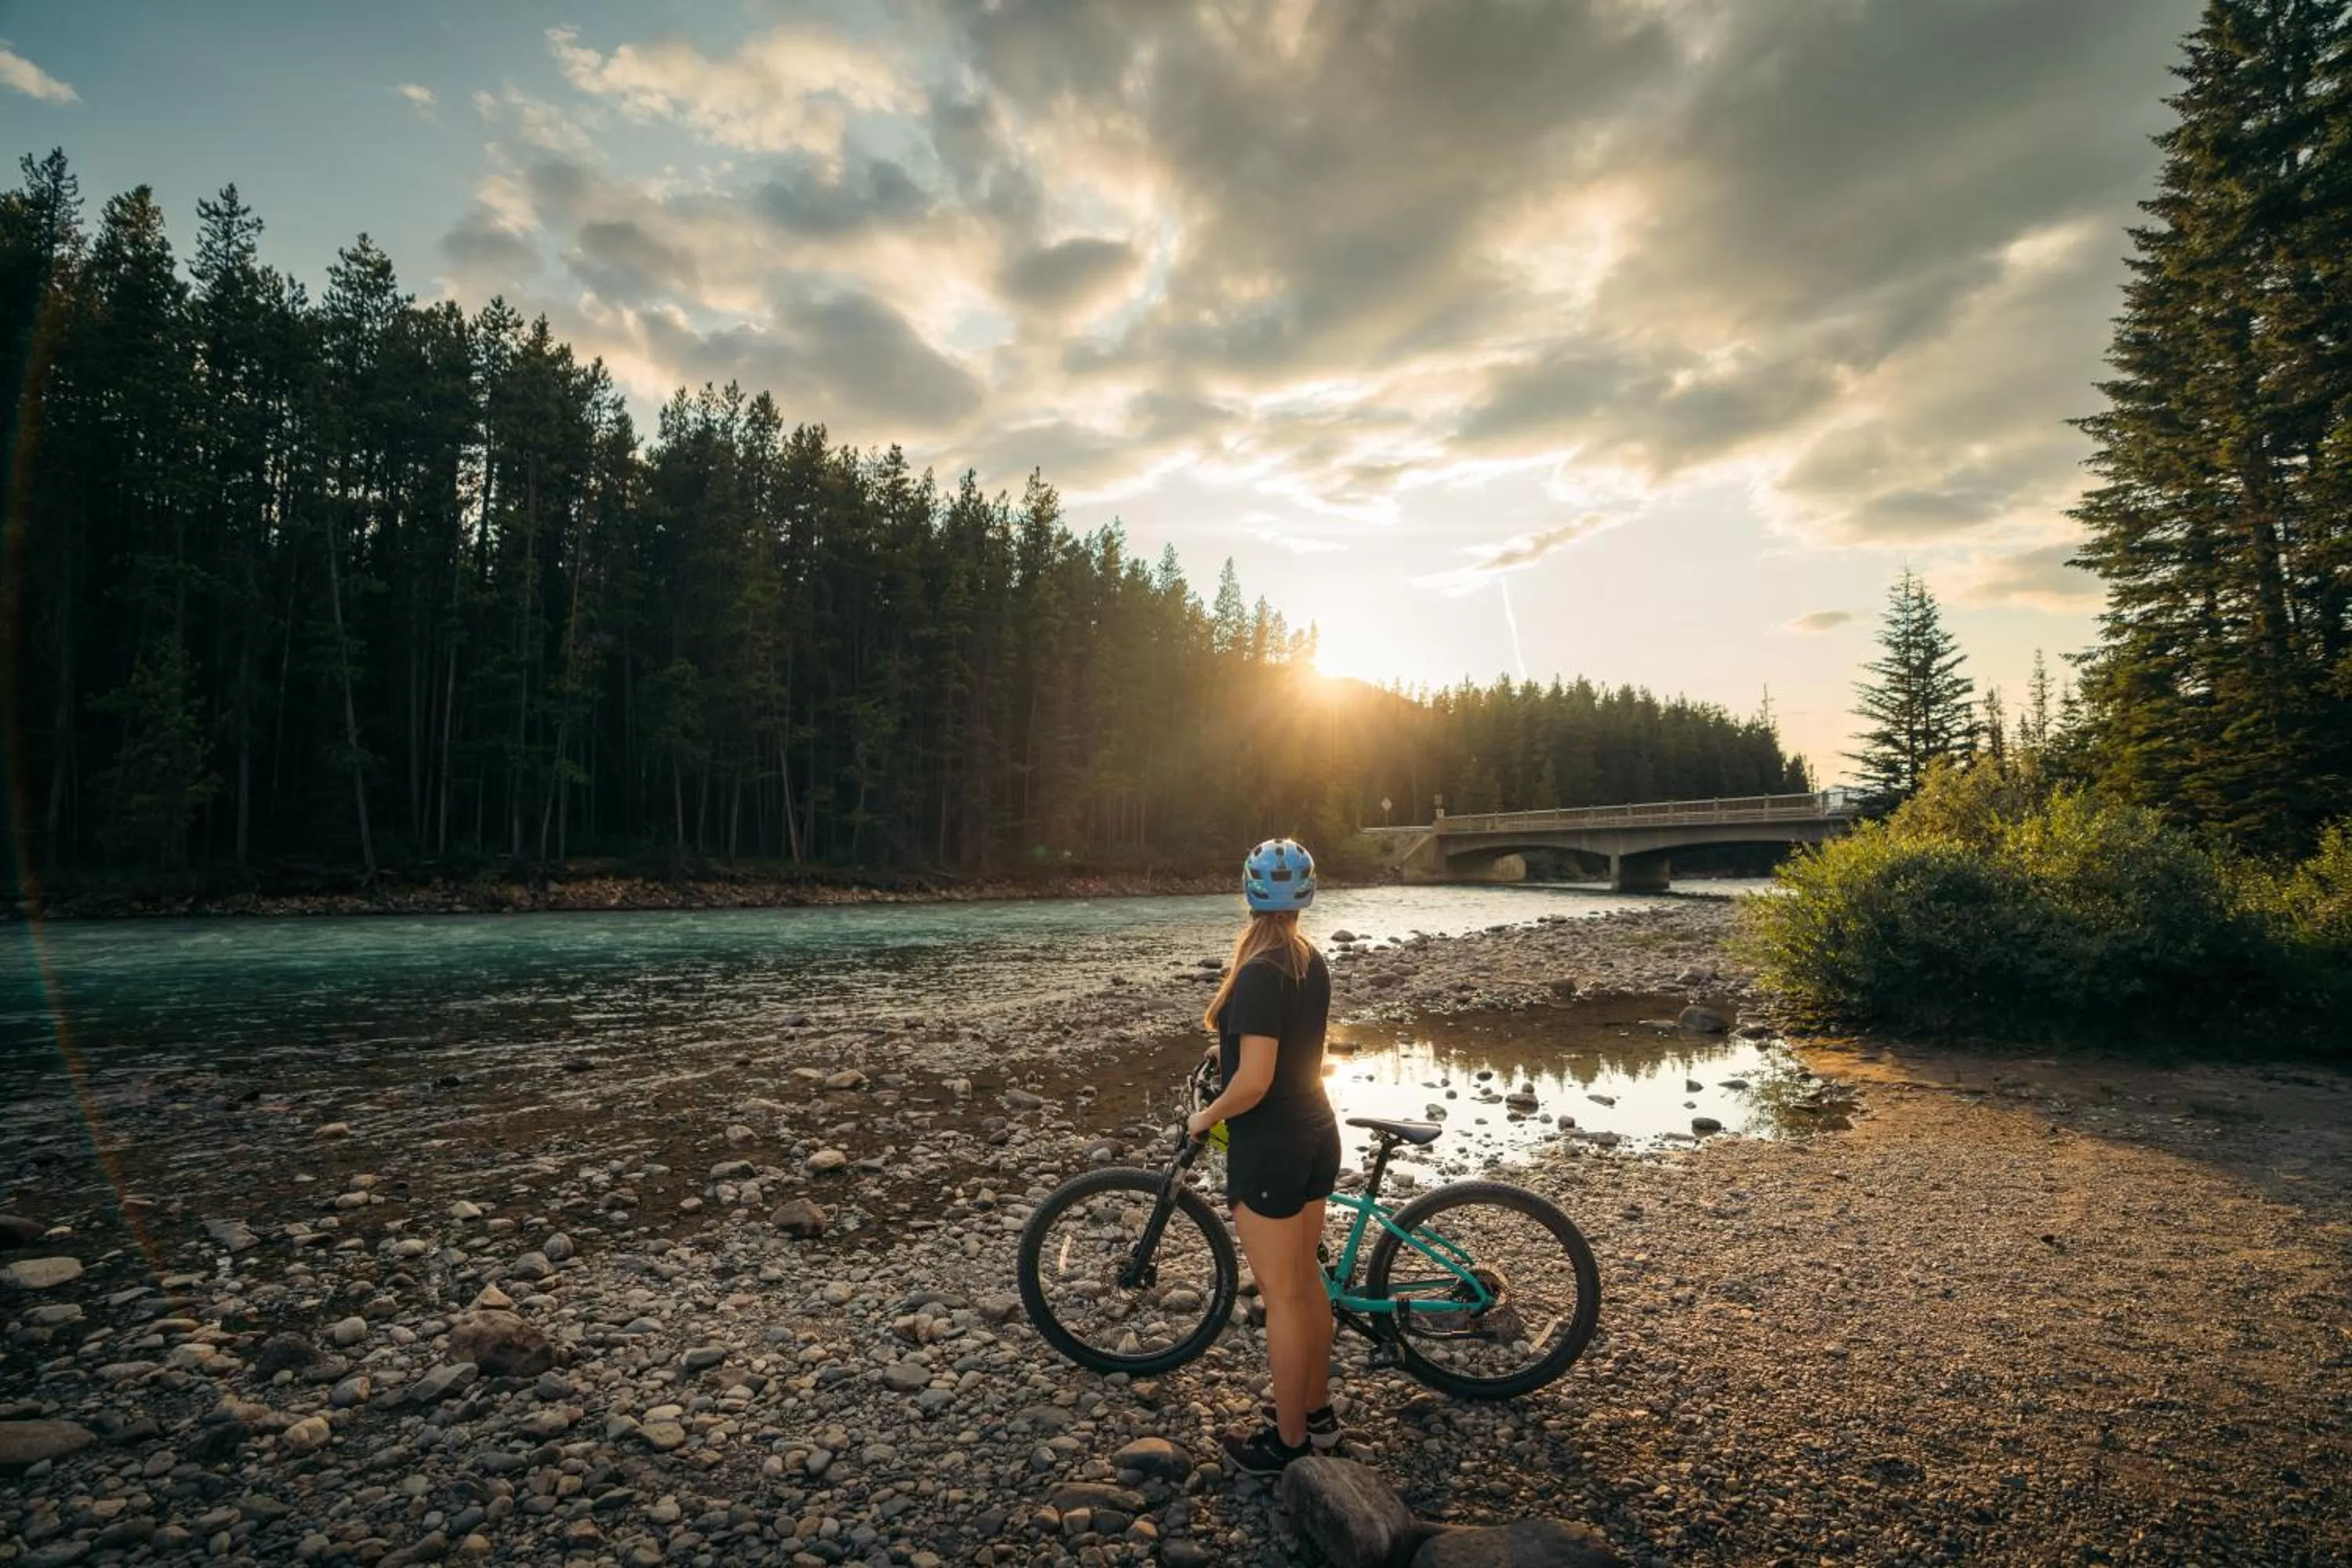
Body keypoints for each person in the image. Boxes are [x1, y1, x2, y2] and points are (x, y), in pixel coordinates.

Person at [1185, 837, 1343, 1475]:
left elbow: (1253, 1085)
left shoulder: (1256, 972)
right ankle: (1319, 1419)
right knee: (1306, 1285)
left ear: (1249, 892)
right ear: (1306, 896)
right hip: (1315, 1130)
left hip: (1273, 1145)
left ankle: (1287, 1445)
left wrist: (1206, 1115)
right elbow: (1290, 1052)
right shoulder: (1309, 960)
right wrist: (1231, 1052)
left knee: (1282, 1297)